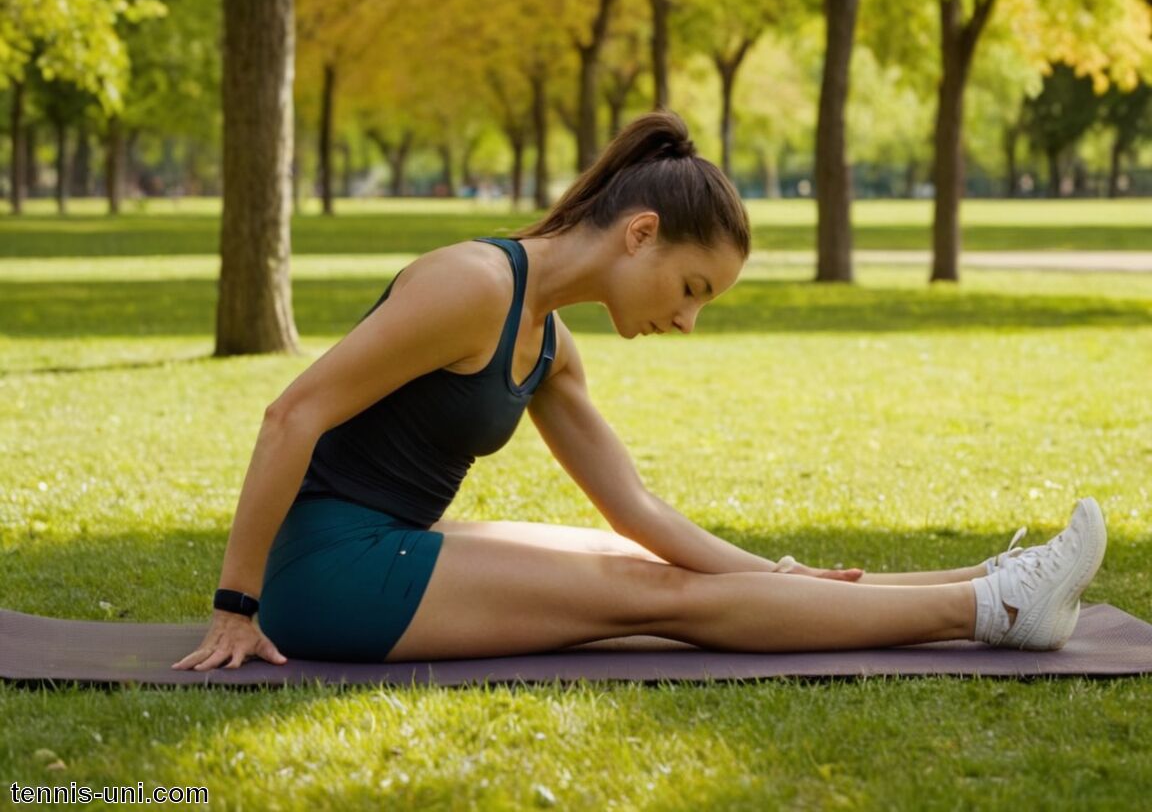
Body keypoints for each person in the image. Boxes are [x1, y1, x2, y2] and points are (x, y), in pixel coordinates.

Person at [174, 112, 1106, 671]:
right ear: (641, 233)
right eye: (692, 290)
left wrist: (776, 574)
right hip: (324, 576)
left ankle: (985, 578)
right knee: (652, 599)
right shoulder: (473, 285)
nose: (687, 322)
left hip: (387, 547)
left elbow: (636, 508)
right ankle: (998, 614)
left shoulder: (549, 345)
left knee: (667, 572)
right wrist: (236, 604)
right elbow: (291, 412)